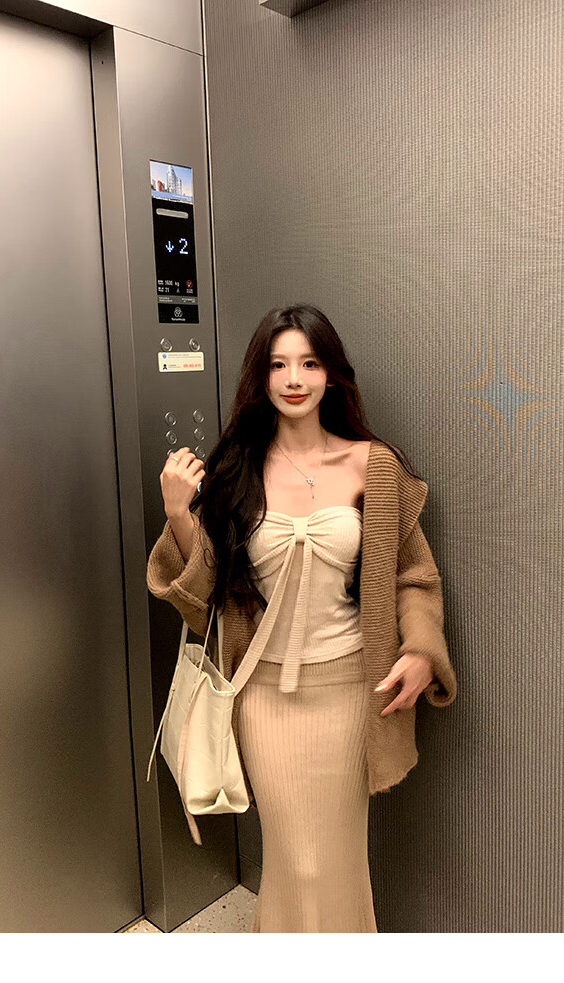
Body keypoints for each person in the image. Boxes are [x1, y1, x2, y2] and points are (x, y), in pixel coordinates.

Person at [146, 303, 457, 933]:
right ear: (260, 377)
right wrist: (179, 514)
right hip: (263, 696)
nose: (294, 378)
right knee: (296, 861)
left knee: (336, 862)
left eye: (310, 363)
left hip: (351, 693)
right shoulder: (236, 471)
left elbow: (413, 574)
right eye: (278, 364)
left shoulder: (374, 465)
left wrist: (422, 651)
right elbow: (204, 598)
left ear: (331, 374)